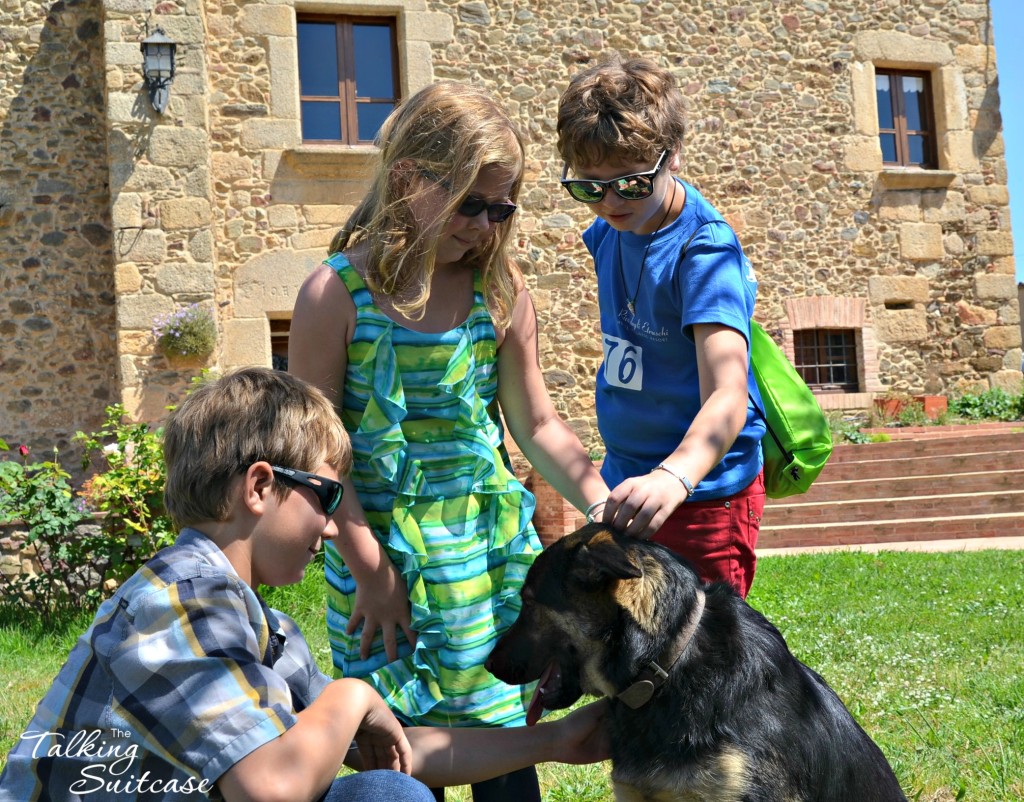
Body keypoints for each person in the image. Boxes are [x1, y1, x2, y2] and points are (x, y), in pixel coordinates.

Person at [0, 368, 609, 802]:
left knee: (384, 786)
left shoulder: (253, 622)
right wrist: (350, 695)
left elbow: (394, 747)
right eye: (327, 496)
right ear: (260, 487)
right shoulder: (181, 603)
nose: (329, 522)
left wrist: (556, 740)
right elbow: (273, 788)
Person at [288, 82, 610, 801]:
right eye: (472, 204)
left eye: (504, 207)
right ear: (409, 180)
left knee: (505, 752)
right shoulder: (335, 296)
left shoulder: (501, 292)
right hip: (381, 557)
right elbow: (314, 458)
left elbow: (538, 424)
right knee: (401, 753)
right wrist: (371, 569)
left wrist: (601, 501)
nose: (488, 226)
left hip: (489, 557)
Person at [555, 54, 767, 598]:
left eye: (629, 184)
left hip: (705, 493)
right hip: (627, 480)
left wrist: (675, 475)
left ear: (672, 155)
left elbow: (727, 393)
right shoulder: (608, 230)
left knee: (700, 657)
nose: (608, 203)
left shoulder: (705, 249)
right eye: (589, 187)